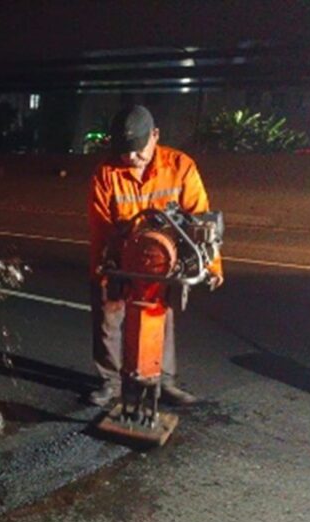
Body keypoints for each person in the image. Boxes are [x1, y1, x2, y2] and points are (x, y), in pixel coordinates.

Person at [87, 105, 223, 407]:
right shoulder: (106, 174)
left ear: (155, 135)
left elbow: (200, 221)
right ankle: (111, 382)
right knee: (109, 316)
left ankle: (163, 379)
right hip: (122, 258)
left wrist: (211, 265)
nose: (131, 159)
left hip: (163, 261)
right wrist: (103, 271)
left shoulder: (180, 166)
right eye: (125, 152)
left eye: (137, 150)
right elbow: (101, 228)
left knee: (161, 315)